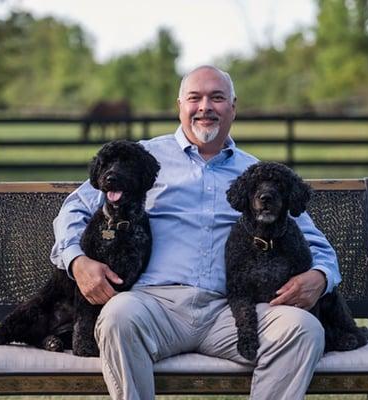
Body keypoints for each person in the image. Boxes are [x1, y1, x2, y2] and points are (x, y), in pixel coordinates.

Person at [50, 65, 340, 400]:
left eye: (217, 98)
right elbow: (74, 209)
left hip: (232, 312)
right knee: (117, 316)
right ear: (180, 106)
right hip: (153, 306)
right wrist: (76, 261)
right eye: (195, 98)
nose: (205, 107)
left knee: (303, 329)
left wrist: (320, 276)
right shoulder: (141, 160)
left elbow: (313, 239)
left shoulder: (256, 174)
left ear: (233, 107)